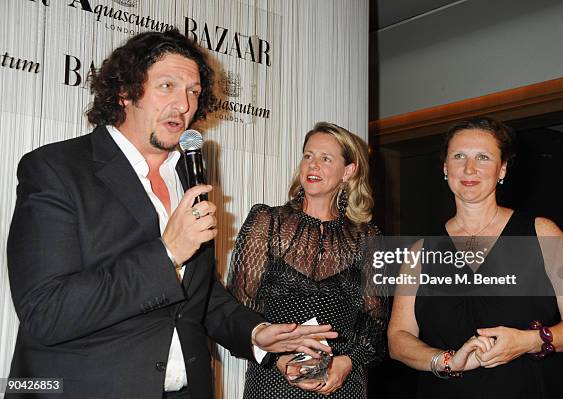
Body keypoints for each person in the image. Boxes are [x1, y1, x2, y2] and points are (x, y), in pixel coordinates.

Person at [5, 30, 337, 399]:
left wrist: (254, 333)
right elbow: (46, 312)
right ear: (125, 92)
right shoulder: (56, 169)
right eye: (167, 85)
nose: (183, 103)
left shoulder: (188, 175)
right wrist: (166, 254)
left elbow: (199, 294)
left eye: (193, 91)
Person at [387, 117, 563, 398]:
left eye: (483, 157)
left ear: (502, 169)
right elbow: (398, 339)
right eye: (459, 156)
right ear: (445, 168)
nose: (469, 168)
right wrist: (447, 361)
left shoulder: (542, 233)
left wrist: (528, 341)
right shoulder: (419, 252)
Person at [227, 122, 388, 398]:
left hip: (340, 383)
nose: (313, 165)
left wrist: (346, 363)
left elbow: (377, 323)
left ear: (348, 171)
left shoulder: (368, 238)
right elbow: (236, 314)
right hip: (274, 382)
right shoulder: (267, 222)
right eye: (308, 156)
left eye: (326, 158)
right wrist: (278, 360)